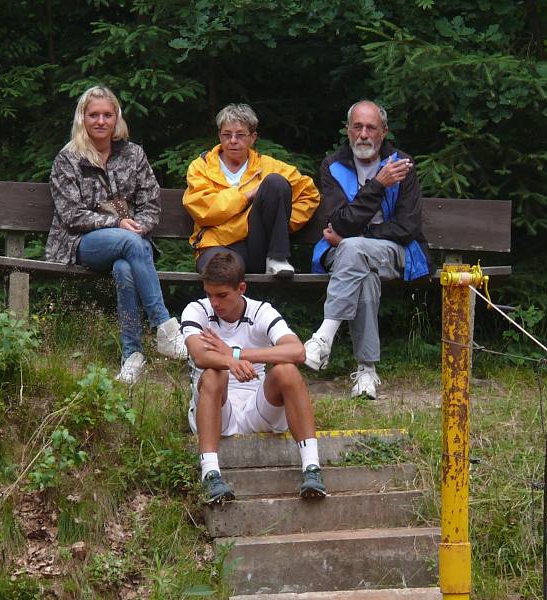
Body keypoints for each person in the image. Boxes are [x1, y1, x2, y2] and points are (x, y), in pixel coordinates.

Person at [45, 85, 187, 384]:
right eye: (93, 114)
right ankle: (164, 326)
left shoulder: (134, 154)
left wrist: (139, 226)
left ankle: (132, 357)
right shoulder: (68, 159)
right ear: (82, 118)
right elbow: (71, 215)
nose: (100, 121)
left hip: (130, 243)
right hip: (80, 243)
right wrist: (118, 224)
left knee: (125, 268)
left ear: (116, 118)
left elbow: (151, 203)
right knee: (129, 242)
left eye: (107, 115)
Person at [303, 100, 431, 399]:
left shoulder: (401, 165)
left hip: (396, 252)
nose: (363, 134)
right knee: (363, 273)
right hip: (349, 255)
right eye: (357, 127)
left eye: (370, 127)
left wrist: (362, 231)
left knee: (353, 247)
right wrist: (377, 187)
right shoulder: (332, 166)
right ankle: (367, 371)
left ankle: (324, 337)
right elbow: (338, 221)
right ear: (348, 130)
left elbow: (407, 227)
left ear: (383, 132)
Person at [181, 252, 326, 503]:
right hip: (215, 408)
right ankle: (211, 474)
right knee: (215, 374)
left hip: (255, 408)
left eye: (222, 295)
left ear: (241, 288)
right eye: (210, 294)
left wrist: (236, 352)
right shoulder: (197, 310)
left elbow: (297, 351)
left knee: (286, 370)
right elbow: (199, 355)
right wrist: (229, 361)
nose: (215, 302)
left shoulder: (261, 311)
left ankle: (312, 468)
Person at [183, 103, 321, 278]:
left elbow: (309, 195)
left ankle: (277, 258)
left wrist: (279, 221)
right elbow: (204, 210)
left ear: (252, 137)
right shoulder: (201, 167)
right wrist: (246, 195)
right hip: (216, 244)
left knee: (275, 182)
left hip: (258, 246)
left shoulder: (270, 166)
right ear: (219, 135)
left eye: (240, 135)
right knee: (222, 271)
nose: (233, 140)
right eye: (227, 134)